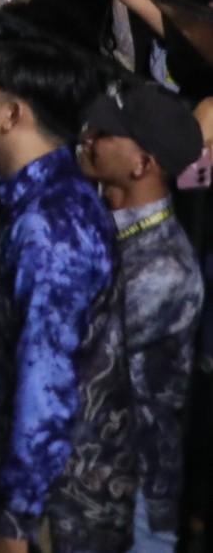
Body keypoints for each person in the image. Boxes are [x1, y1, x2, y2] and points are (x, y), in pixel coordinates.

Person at [0, 39, 137, 553]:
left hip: (54, 517)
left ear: (12, 114)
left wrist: (16, 521)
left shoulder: (51, 227)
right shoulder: (26, 201)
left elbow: (48, 380)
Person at [76, 80, 201, 553]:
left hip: (132, 498)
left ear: (143, 164)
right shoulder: (102, 224)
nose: (88, 136)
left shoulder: (167, 269)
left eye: (106, 132)